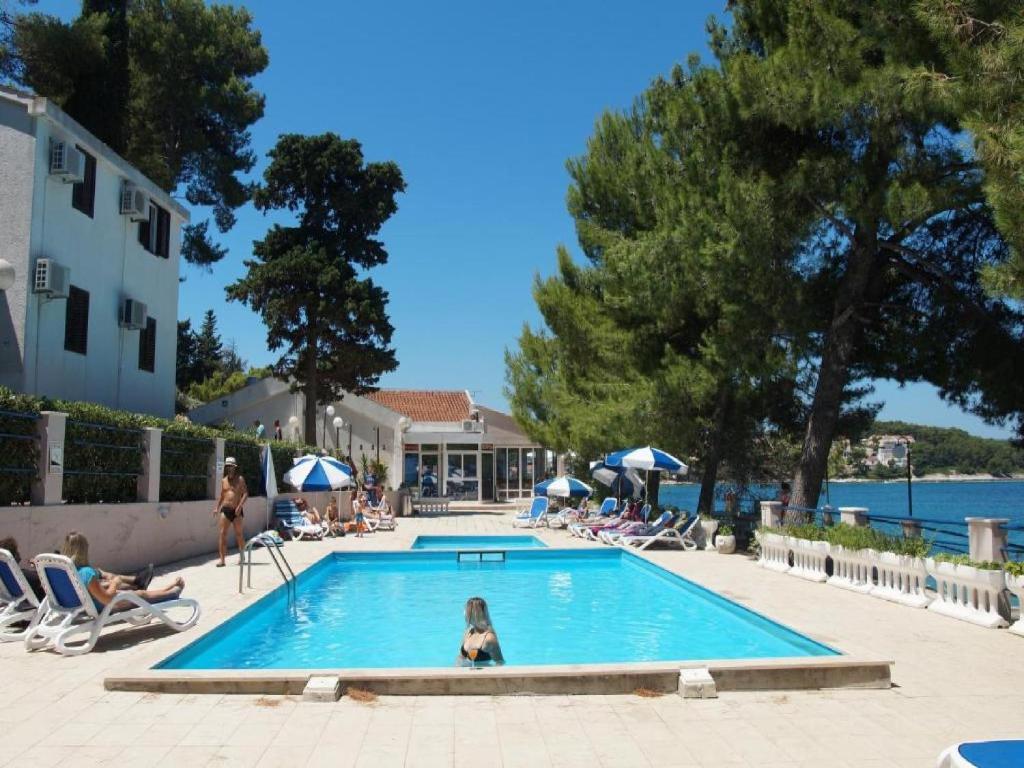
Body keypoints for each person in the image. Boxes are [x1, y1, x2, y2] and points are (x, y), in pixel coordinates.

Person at [60, 532, 183, 611]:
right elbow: (106, 599)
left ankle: (167, 588)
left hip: (78, 604)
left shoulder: (64, 569)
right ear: (83, 550)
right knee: (140, 595)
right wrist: (115, 583)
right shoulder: (86, 573)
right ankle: (173, 593)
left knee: (134, 592)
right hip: (99, 606)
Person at [213, 457, 248, 567]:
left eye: (231, 466)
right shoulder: (224, 481)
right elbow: (222, 496)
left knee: (239, 534)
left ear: (234, 467)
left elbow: (246, 494)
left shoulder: (240, 479)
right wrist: (217, 508)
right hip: (226, 509)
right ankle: (222, 560)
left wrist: (239, 506)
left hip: (237, 511)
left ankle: (242, 556)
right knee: (222, 534)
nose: (229, 468)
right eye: (227, 466)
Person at [456, 597, 504, 667]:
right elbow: (460, 659)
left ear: (474, 614)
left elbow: (500, 662)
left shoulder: (489, 638)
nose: (464, 613)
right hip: (466, 674)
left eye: (466, 610)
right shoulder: (468, 632)